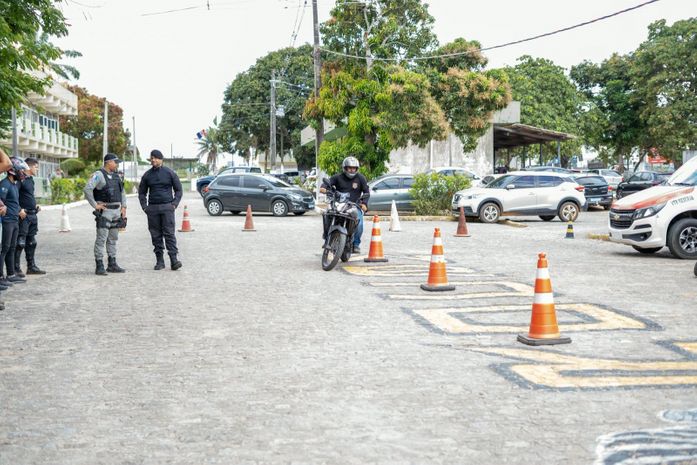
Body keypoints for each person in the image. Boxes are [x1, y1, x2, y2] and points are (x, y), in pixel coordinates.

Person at [138, 149, 183, 270]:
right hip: (152, 209)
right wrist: (145, 207)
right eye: (151, 158)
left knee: (169, 234)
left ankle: (174, 260)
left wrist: (174, 204)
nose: (153, 160)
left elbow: (179, 190)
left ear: (161, 159)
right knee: (155, 235)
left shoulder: (170, 173)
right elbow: (141, 192)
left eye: (156, 158)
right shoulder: (147, 175)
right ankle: (160, 261)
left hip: (167, 207)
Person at [84, 153, 127, 276]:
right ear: (108, 162)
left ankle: (112, 264)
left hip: (116, 211)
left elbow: (122, 192)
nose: (117, 164)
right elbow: (87, 189)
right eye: (115, 162)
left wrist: (124, 207)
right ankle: (99, 265)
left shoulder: (116, 176)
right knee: (101, 239)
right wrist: (95, 205)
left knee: (113, 238)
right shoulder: (99, 175)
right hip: (105, 211)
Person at [320, 156, 370, 254]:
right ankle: (327, 239)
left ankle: (355, 244)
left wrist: (364, 204)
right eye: (349, 168)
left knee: (359, 223)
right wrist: (324, 188)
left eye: (354, 168)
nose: (352, 170)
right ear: (345, 168)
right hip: (339, 203)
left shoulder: (361, 178)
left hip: (354, 205)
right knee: (327, 215)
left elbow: (366, 191)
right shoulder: (338, 177)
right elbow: (327, 184)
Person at [0, 157, 29, 287]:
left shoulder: (13, 185)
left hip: (14, 220)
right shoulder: (4, 184)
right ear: (12, 171)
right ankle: (1, 276)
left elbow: (13, 202)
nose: (22, 173)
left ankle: (11, 274)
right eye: (20, 170)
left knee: (11, 247)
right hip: (7, 222)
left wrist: (18, 210)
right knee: (4, 248)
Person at [15, 157, 46, 277]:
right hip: (24, 216)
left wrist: (35, 205)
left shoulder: (30, 179)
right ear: (29, 166)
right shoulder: (20, 180)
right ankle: (16, 269)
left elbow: (28, 195)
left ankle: (31, 267)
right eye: (36, 167)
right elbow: (13, 196)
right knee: (20, 243)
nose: (37, 169)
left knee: (32, 242)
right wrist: (19, 209)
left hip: (33, 214)